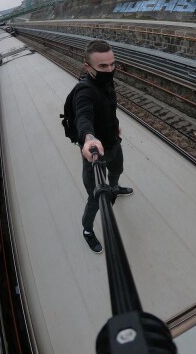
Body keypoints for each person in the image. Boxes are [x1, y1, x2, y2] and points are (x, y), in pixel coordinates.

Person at [74, 40, 133, 254]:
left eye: (112, 64)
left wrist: (114, 127)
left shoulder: (107, 82)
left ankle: (115, 188)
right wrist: (89, 138)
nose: (110, 70)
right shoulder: (85, 91)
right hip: (95, 155)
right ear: (88, 67)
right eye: (103, 66)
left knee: (117, 171)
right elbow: (83, 116)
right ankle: (87, 229)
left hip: (113, 144)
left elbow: (108, 110)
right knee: (95, 199)